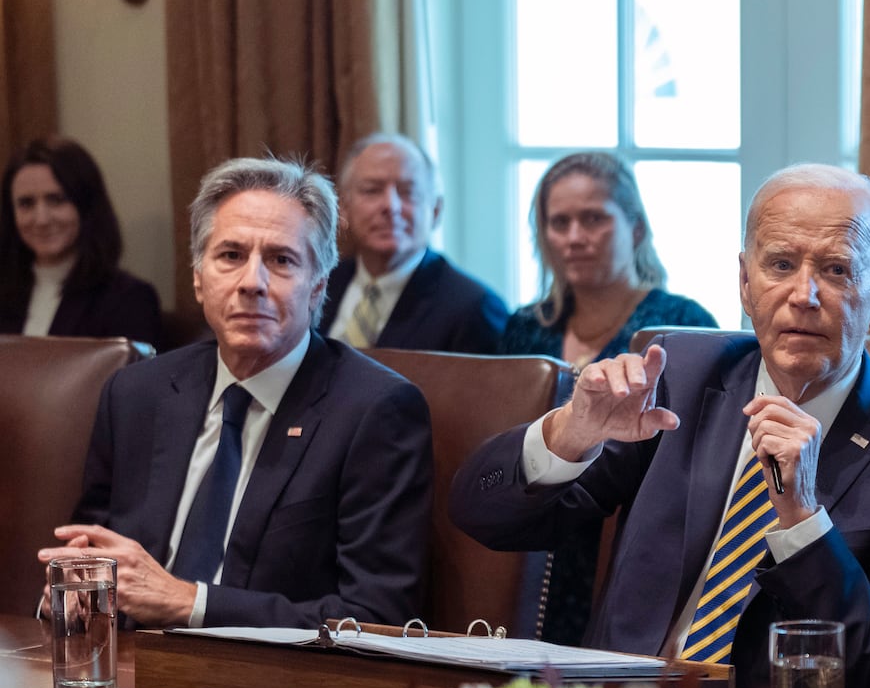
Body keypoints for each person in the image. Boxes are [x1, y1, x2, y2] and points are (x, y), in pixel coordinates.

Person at [452, 164, 870, 688]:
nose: (804, 294)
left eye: (837, 269)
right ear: (744, 282)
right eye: (780, 264)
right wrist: (570, 433)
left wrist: (803, 521)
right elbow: (482, 515)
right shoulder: (680, 378)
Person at [37, 156, 434, 629]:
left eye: (281, 260)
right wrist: (77, 595)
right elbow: (93, 555)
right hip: (129, 674)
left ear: (317, 287)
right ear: (198, 279)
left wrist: (191, 603)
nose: (252, 283)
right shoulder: (136, 393)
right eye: (230, 256)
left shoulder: (375, 411)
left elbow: (378, 615)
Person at [499, 151, 717, 644]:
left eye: (593, 219)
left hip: (625, 543)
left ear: (635, 229)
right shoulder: (523, 327)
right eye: (559, 223)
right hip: (527, 544)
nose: (574, 237)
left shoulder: (680, 325)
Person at [320, 133, 509, 353]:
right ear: (343, 207)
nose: (391, 206)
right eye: (372, 190)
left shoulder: (474, 308)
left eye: (408, 192)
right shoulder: (320, 284)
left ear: (436, 210)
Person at [0, 136, 161, 346]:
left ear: (87, 207)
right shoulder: (5, 290)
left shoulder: (129, 299)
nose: (41, 219)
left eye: (56, 200)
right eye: (26, 203)